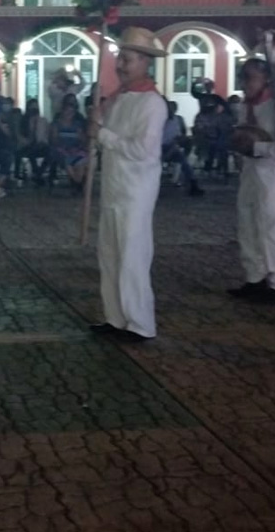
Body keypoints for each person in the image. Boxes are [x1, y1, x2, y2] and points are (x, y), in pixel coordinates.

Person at [88, 27, 167, 342]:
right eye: (120, 58)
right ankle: (115, 317)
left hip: (135, 193)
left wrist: (102, 134)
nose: (121, 65)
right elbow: (102, 140)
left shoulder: (152, 104)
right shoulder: (118, 99)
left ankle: (139, 323)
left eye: (128, 59)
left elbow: (141, 150)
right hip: (113, 187)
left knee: (132, 258)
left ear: (145, 62)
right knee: (109, 255)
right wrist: (95, 131)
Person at [228, 58, 275, 303]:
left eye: (250, 77)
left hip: (272, 173)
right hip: (250, 169)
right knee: (247, 222)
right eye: (242, 76)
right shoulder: (246, 105)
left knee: (270, 226)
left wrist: (256, 146)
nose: (244, 83)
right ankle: (254, 276)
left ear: (265, 79)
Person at [161, 99, 202, 196]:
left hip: (173, 146)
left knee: (184, 161)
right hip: (159, 147)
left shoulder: (177, 119)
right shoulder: (160, 120)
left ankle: (192, 183)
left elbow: (180, 133)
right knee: (176, 152)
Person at [50, 93, 88, 192]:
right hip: (62, 149)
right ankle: (76, 182)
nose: (69, 115)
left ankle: (78, 181)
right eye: (67, 112)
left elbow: (82, 139)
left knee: (81, 161)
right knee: (67, 161)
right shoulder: (57, 124)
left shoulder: (77, 125)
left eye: (71, 113)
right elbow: (54, 139)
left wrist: (80, 146)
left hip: (75, 149)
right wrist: (64, 147)